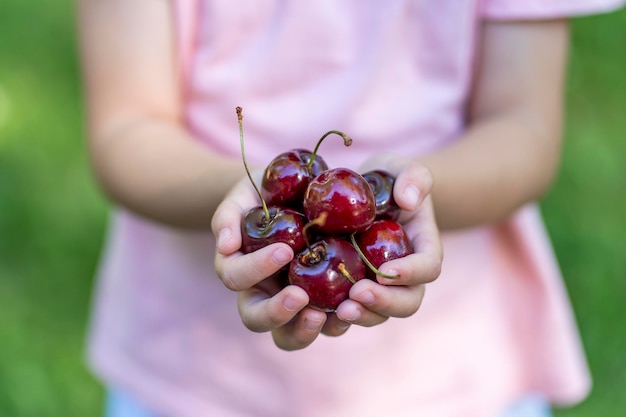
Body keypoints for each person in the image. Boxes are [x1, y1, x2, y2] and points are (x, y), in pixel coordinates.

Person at [77, 1, 624, 416]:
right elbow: (126, 129)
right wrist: (239, 200)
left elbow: (523, 130)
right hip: (194, 375)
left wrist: (413, 193)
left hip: (455, 373)